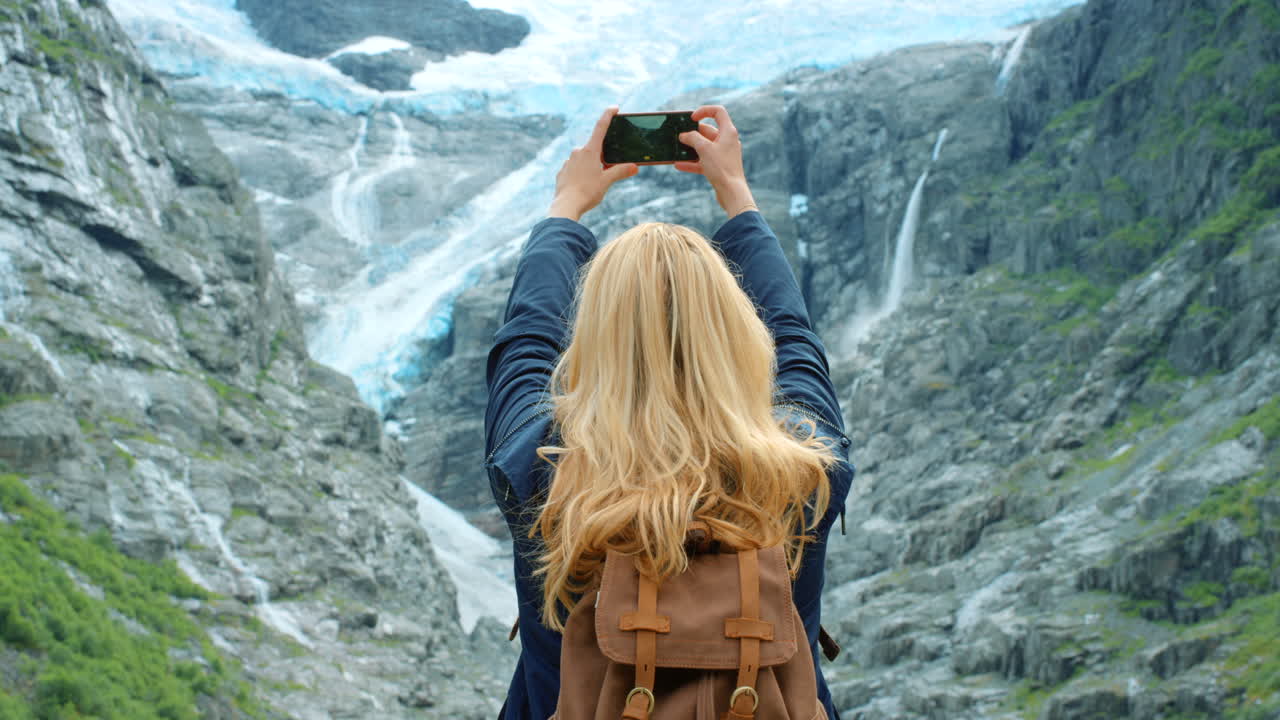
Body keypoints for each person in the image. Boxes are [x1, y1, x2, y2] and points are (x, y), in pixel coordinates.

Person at [484, 105, 853, 720]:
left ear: (594, 334)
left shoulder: (540, 466)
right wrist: (736, 193)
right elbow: (794, 337)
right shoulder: (806, 468)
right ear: (736, 330)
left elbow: (524, 342)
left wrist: (567, 206)